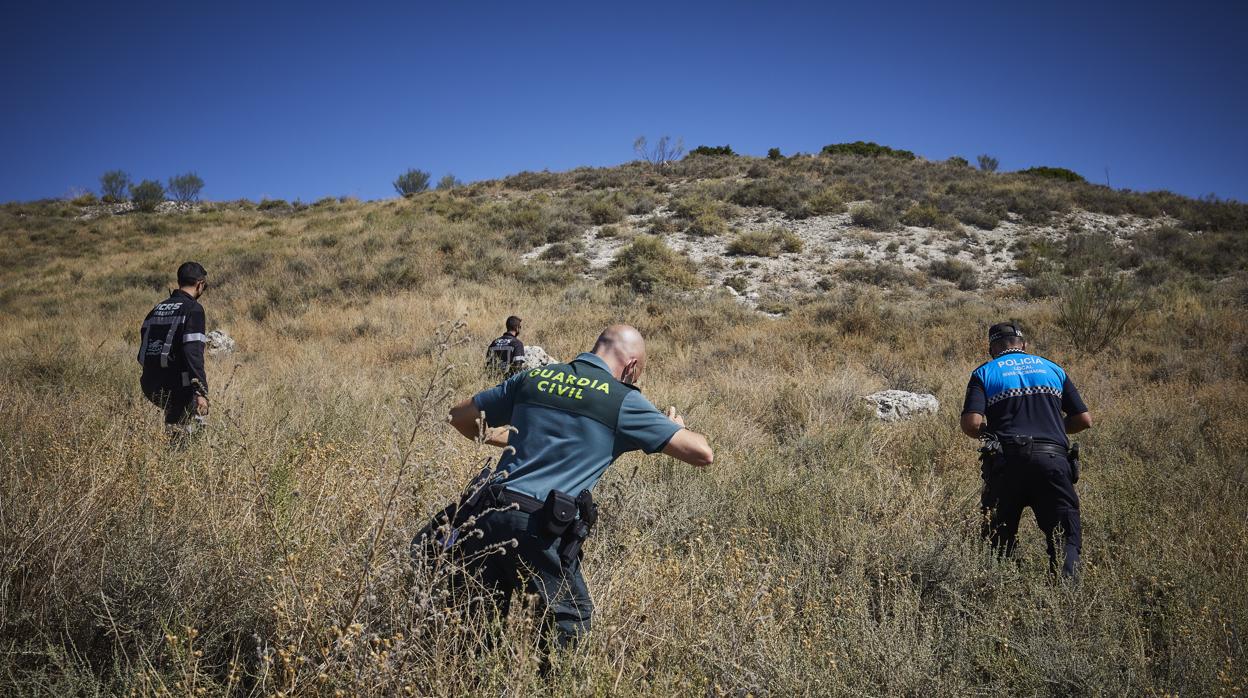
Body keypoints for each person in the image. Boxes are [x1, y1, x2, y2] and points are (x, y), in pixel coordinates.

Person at [429, 324, 713, 651]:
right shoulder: (622, 401)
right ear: (632, 366)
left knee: (477, 631)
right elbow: (702, 453)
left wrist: (505, 440)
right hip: (537, 528)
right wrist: (676, 427)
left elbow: (459, 416)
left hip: (486, 516)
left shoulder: (533, 379)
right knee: (570, 622)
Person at [961, 322, 1093, 577]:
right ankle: (1067, 599)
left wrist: (994, 434)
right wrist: (1053, 429)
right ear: (1023, 345)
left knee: (998, 539)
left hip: (1007, 462)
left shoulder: (985, 372)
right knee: (1065, 538)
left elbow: (971, 424)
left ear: (992, 349)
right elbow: (1084, 420)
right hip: (1053, 460)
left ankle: (1006, 591)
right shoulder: (1053, 369)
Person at [138, 262, 210, 436]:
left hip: (150, 382)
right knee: (188, 434)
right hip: (177, 383)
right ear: (200, 284)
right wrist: (201, 391)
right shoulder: (193, 309)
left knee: (175, 426)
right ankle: (181, 456)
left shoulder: (156, 309)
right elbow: (193, 353)